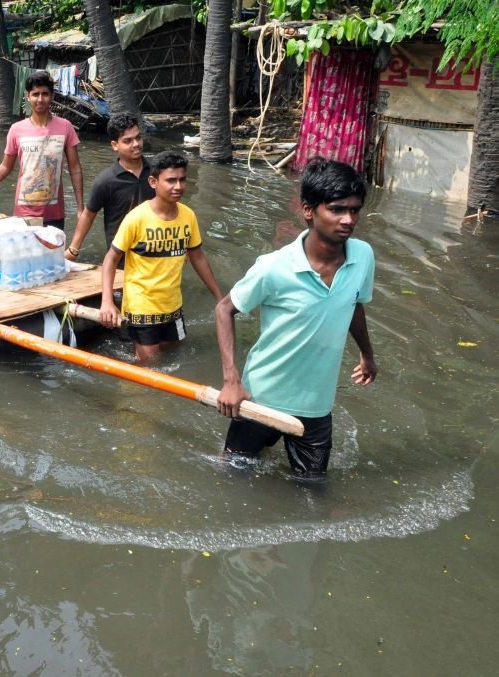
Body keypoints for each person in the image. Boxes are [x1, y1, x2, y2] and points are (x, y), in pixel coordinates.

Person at [215, 157, 376, 478]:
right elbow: (224, 309)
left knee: (313, 488)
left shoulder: (363, 256)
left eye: (354, 210)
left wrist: (367, 354)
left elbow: (355, 304)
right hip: (261, 399)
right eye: (336, 209)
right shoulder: (274, 267)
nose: (348, 220)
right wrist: (231, 381)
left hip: (317, 406)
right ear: (308, 210)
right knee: (233, 479)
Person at [99, 151, 222, 365]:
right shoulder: (136, 218)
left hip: (172, 305)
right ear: (153, 182)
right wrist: (107, 302)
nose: (178, 186)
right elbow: (110, 259)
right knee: (151, 364)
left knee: (174, 357)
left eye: (182, 180)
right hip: (141, 306)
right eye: (171, 180)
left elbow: (198, 258)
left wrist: (220, 297)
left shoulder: (188, 216)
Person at [0, 70, 84, 230]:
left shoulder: (65, 127)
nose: (40, 99)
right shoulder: (17, 130)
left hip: (55, 214)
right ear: (27, 96)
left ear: (52, 96)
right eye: (35, 94)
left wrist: (80, 208)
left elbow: (75, 168)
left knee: (52, 254)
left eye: (45, 94)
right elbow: (4, 167)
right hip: (24, 213)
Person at [66, 112, 154, 263]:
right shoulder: (106, 181)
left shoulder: (156, 173)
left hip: (154, 256)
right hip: (121, 261)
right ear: (115, 145)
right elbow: (88, 215)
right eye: (128, 141)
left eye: (138, 138)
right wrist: (73, 250)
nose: (136, 144)